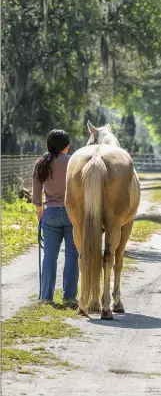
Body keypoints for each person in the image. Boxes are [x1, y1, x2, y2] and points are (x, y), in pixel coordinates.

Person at [32, 129, 79, 307]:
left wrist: (40, 215)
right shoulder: (74, 161)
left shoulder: (41, 162)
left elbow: (36, 196)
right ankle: (69, 297)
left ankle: (46, 297)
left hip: (49, 212)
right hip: (71, 212)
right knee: (72, 255)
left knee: (49, 256)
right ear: (67, 146)